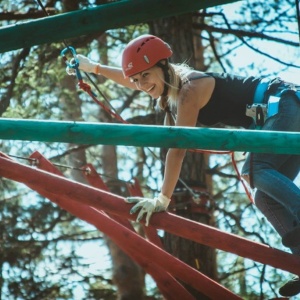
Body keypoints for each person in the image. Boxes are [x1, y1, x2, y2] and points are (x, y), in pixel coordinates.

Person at [66, 34, 300, 297]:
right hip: (283, 112)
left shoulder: (189, 90)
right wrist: (93, 68)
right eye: (136, 79)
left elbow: (177, 150)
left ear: (164, 67)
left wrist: (162, 199)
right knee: (265, 199)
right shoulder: (170, 92)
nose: (141, 85)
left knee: (254, 170)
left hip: (284, 104)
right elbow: (129, 80)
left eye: (146, 75)